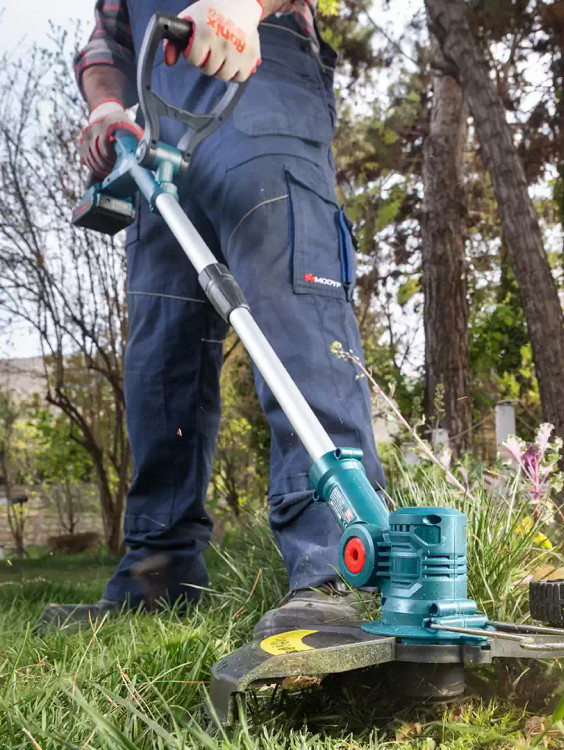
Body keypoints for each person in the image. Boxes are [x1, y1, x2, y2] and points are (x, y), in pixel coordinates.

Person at [39, 0, 385, 636]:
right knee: (160, 358)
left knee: (292, 311)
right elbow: (108, 39)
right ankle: (158, 573)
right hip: (154, 128)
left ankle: (341, 562)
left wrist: (246, 7)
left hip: (257, 77)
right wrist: (106, 107)